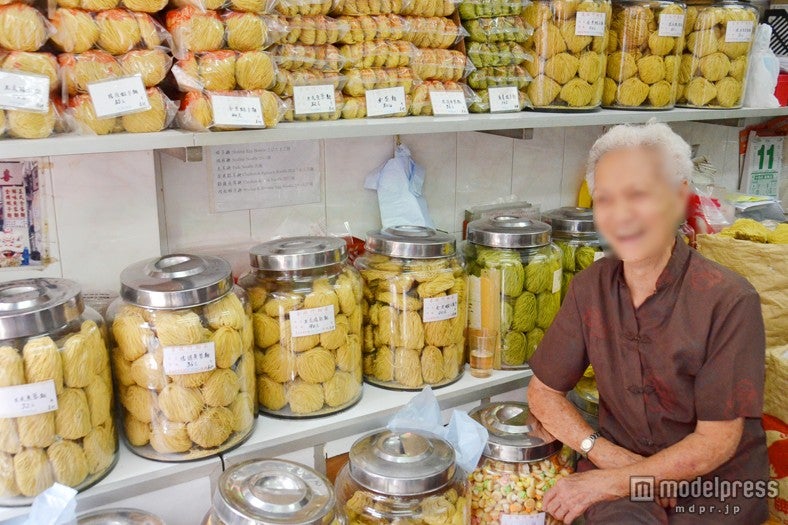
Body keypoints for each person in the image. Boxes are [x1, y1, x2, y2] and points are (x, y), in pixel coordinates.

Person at [528, 122, 769, 524]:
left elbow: (716, 441)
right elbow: (543, 392)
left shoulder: (729, 300)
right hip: (622, 473)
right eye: (606, 199)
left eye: (638, 195)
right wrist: (615, 463)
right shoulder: (591, 287)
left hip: (715, 485)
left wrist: (615, 481)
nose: (621, 215)